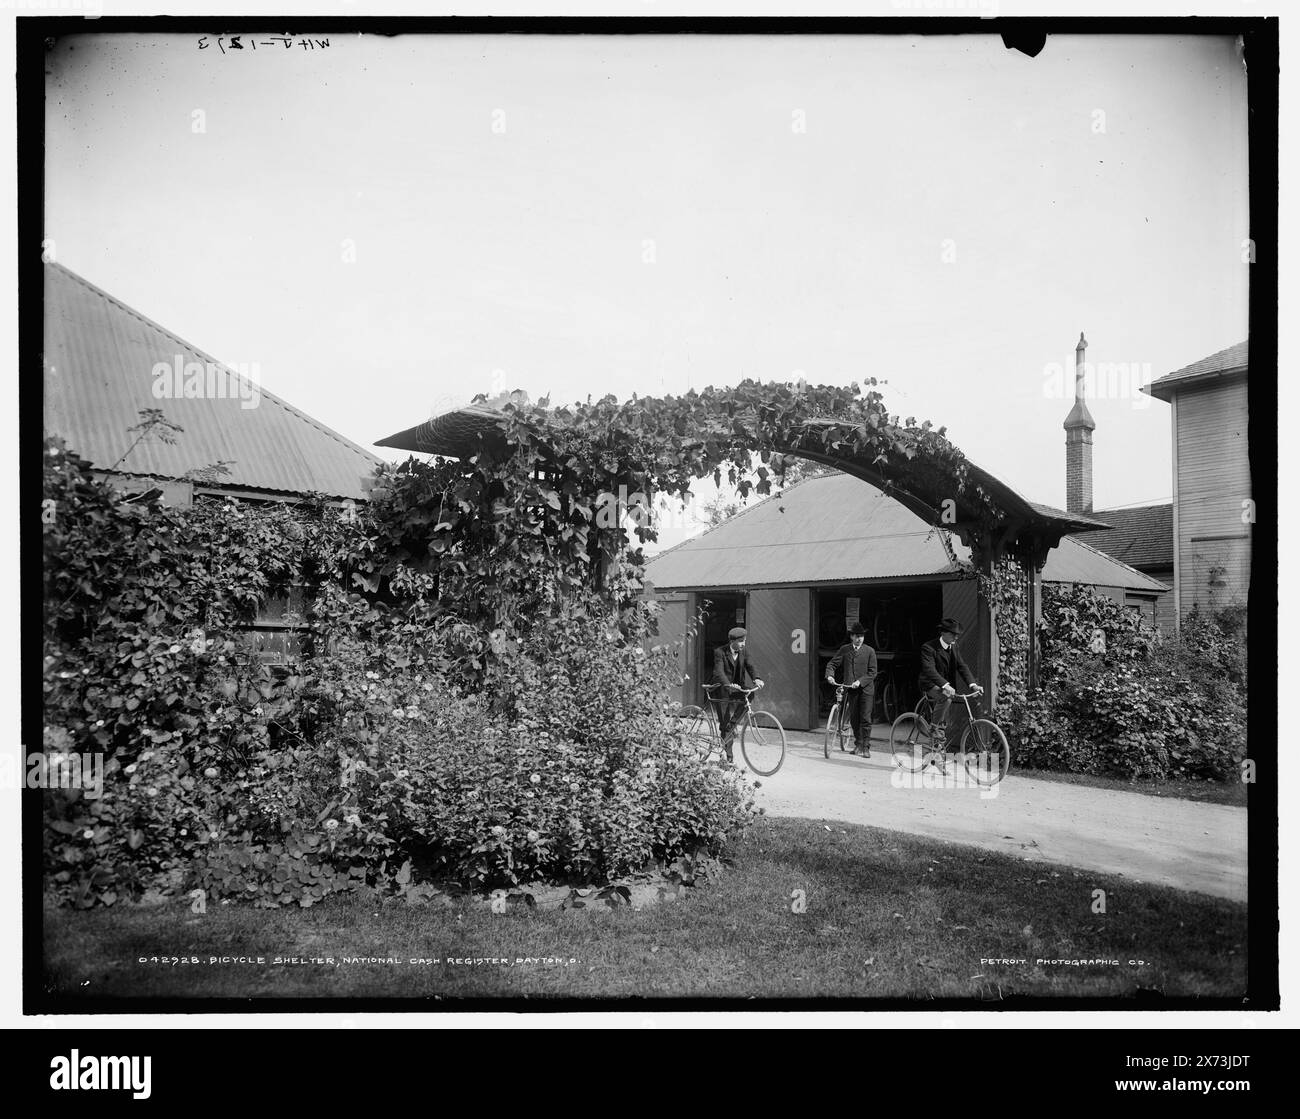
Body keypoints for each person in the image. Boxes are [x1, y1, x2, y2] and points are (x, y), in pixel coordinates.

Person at [917, 617, 983, 752]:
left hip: (945, 687)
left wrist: (973, 685)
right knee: (945, 698)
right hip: (930, 684)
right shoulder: (928, 647)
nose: (956, 637)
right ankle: (933, 728)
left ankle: (937, 751)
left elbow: (962, 666)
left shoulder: (954, 647)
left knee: (945, 719)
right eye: (953, 634)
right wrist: (945, 685)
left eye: (957, 634)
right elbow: (930, 670)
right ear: (943, 633)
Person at [711, 626, 765, 763]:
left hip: (736, 688)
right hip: (722, 690)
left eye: (744, 641)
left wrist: (756, 678)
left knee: (749, 694)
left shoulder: (743, 651)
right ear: (732, 642)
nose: (743, 644)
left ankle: (732, 724)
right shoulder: (720, 652)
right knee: (724, 723)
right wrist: (728, 684)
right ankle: (729, 758)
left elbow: (750, 665)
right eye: (741, 641)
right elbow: (719, 672)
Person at [824, 621, 877, 756]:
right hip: (851, 690)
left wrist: (860, 681)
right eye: (857, 636)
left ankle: (866, 747)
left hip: (866, 690)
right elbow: (832, 664)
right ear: (852, 637)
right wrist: (830, 676)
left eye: (862, 636)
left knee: (865, 718)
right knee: (854, 719)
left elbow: (872, 672)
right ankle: (858, 744)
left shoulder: (869, 651)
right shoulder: (845, 649)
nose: (859, 639)